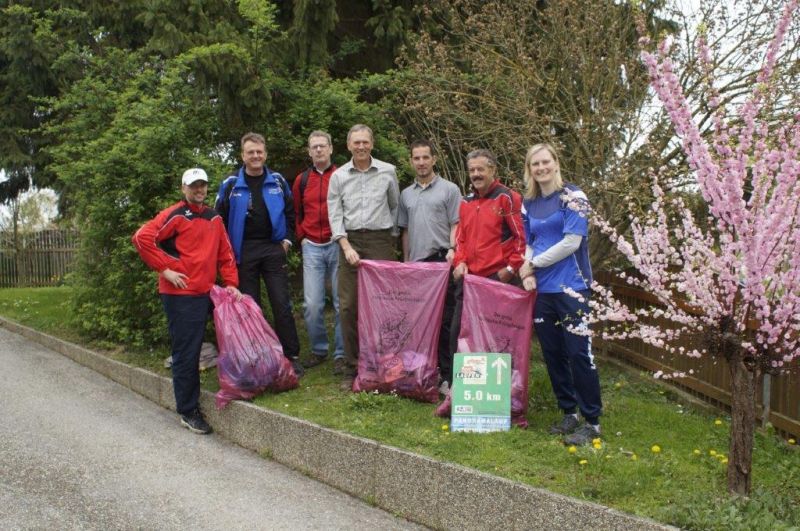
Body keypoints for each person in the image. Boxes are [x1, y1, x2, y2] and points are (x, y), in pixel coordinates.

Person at [132, 168, 241, 435]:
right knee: (187, 353)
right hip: (180, 295)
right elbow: (142, 238)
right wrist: (165, 269)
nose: (199, 190)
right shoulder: (176, 215)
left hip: (207, 292)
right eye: (193, 186)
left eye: (202, 186)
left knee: (221, 344)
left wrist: (230, 284)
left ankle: (223, 391)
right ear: (184, 188)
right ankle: (188, 410)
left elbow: (225, 254)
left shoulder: (214, 218)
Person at [519, 142, 602, 446]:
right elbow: (530, 240)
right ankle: (569, 412)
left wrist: (532, 265)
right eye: (534, 164)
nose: (540, 168)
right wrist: (529, 272)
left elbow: (571, 242)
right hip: (544, 290)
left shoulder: (574, 196)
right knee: (553, 354)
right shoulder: (528, 203)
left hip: (572, 287)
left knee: (579, 353)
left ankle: (592, 420)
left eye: (545, 162)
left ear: (555, 163)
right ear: (530, 169)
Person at [215, 132, 304, 377]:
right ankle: (257, 357)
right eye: (250, 152)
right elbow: (218, 220)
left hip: (273, 248)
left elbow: (290, 212)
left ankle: (291, 356)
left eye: (259, 152)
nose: (255, 156)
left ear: (265, 154)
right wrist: (226, 253)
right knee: (250, 307)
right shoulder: (230, 184)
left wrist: (286, 241)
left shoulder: (277, 181)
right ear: (243, 155)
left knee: (281, 304)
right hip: (243, 251)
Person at [327, 124, 400, 390]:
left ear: (372, 143)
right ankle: (352, 366)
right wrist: (346, 246)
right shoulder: (338, 176)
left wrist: (387, 240)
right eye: (356, 142)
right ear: (348, 145)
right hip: (349, 241)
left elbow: (395, 206)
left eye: (365, 142)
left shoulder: (388, 171)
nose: (360, 147)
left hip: (380, 240)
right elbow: (335, 215)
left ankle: (384, 364)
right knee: (348, 306)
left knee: (384, 305)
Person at [397, 140, 461, 392]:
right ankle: (423, 371)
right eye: (417, 158)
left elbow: (457, 224)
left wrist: (454, 251)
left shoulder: (449, 189)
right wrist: (406, 262)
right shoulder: (406, 194)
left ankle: (447, 376)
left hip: (442, 261)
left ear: (434, 159)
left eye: (426, 157)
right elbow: (404, 231)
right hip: (417, 265)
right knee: (420, 322)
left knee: (446, 321)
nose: (421, 162)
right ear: (411, 161)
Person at [450, 149, 526, 356]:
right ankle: (458, 383)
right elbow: (460, 239)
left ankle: (498, 385)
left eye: (480, 169)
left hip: (496, 277)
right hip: (469, 278)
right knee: (459, 331)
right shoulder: (466, 202)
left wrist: (510, 269)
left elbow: (521, 237)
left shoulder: (508, 197)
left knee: (495, 335)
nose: (475, 174)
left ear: (492, 170)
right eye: (472, 170)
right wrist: (459, 262)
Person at [293, 130, 345, 374]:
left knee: (340, 301)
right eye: (314, 147)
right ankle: (319, 349)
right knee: (313, 304)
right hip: (312, 245)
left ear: (331, 148)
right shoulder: (302, 180)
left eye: (322, 146)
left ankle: (341, 353)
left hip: (338, 244)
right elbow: (295, 212)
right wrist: (301, 236)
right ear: (309, 151)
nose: (318, 150)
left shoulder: (343, 175)